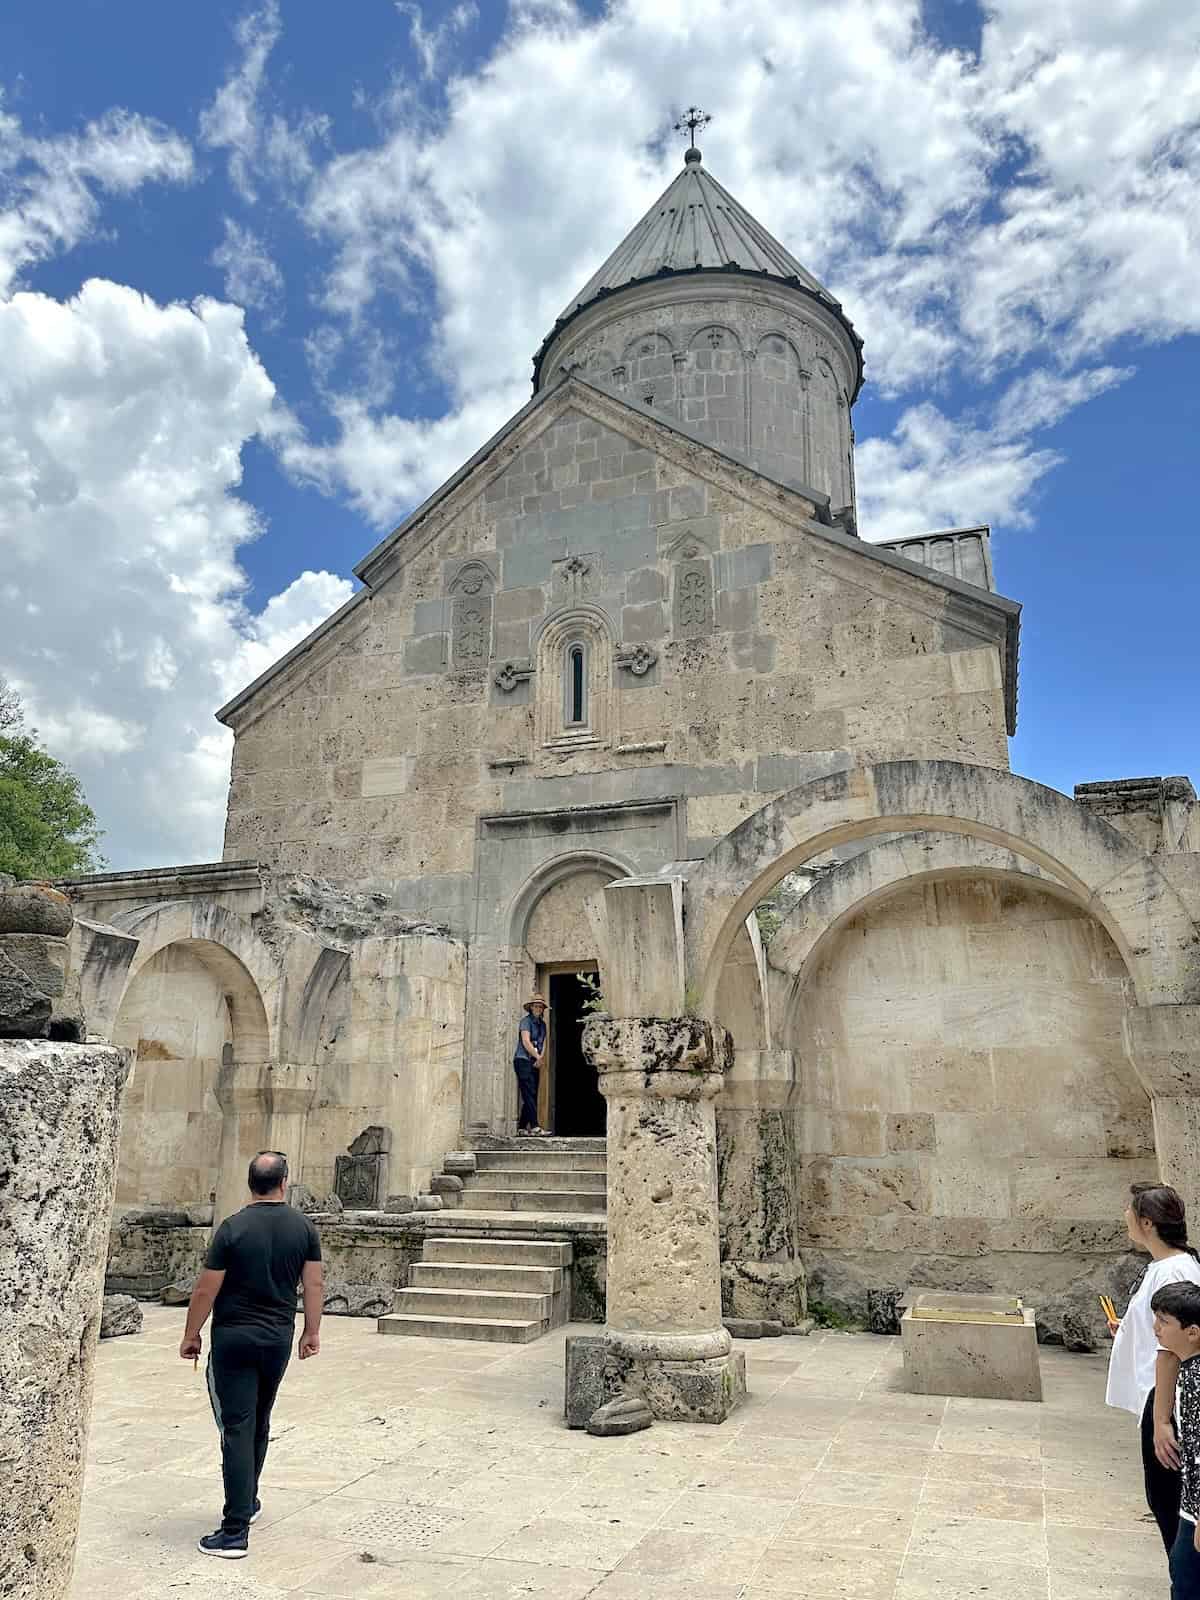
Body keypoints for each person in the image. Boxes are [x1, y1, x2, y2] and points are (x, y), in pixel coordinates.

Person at [179, 1151, 324, 1559]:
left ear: (249, 1183)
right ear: (285, 1182)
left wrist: (191, 1334)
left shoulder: (232, 1228)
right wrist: (312, 1331)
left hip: (234, 1340)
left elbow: (206, 1289)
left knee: (237, 1427)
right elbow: (313, 1284)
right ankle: (249, 1501)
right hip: (277, 1339)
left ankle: (234, 1530)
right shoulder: (304, 1228)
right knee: (259, 1420)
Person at [1105, 1183, 1200, 1555]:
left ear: (1147, 1222)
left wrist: (1161, 1421)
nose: (1125, 1217)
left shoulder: (1178, 1270)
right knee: (1164, 1501)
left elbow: (1173, 1349)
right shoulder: (1162, 1267)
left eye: (1130, 1212)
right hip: (1157, 1397)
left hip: (1168, 1401)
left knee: (1171, 1504)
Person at [1150, 1281, 1200, 1599]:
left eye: (1164, 1322)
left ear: (1192, 1332)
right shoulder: (1189, 1369)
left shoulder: (1195, 1381)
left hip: (1196, 1510)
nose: (1156, 1329)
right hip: (1190, 1505)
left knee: (1185, 1579)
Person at [513, 992, 548, 1136]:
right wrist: (537, 1056)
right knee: (528, 1093)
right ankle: (534, 1126)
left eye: (540, 1007)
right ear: (531, 1008)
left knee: (532, 1094)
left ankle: (521, 1128)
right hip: (523, 1060)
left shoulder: (543, 1024)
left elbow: (543, 1042)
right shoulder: (525, 1021)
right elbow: (526, 1041)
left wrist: (541, 1057)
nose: (538, 1009)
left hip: (534, 1061)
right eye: (536, 1006)